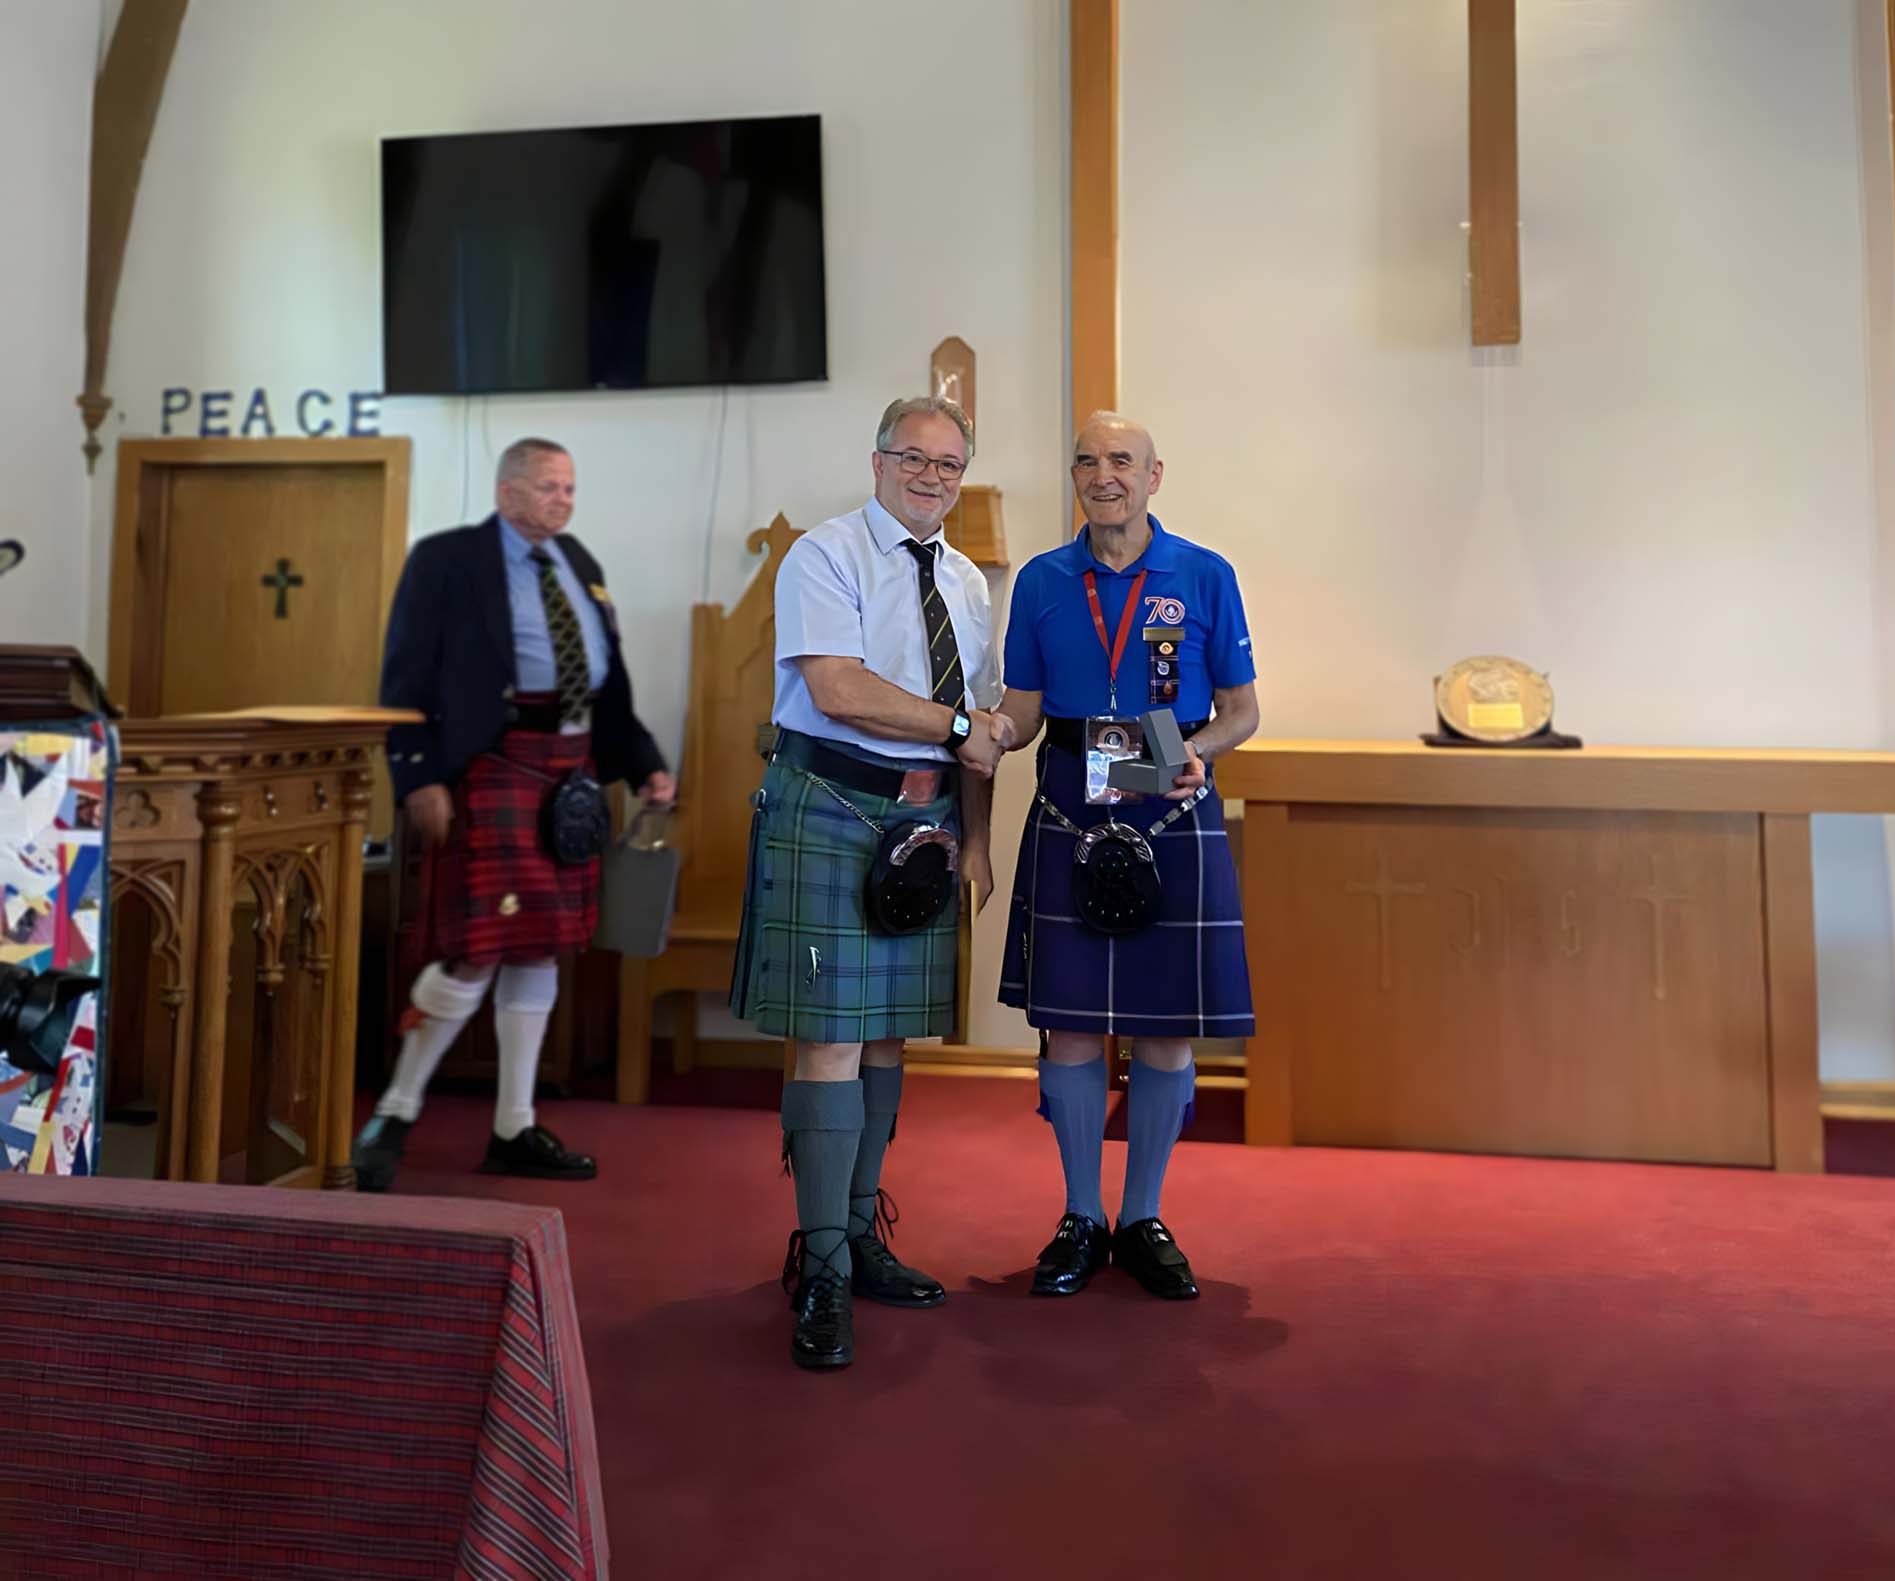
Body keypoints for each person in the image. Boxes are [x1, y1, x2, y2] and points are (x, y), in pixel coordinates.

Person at [732, 396, 1008, 1371]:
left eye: (947, 464)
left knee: (885, 1035)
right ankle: (817, 1269)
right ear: (879, 460)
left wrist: (975, 842)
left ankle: (856, 1235)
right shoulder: (825, 553)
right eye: (913, 458)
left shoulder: (969, 582)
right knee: (830, 1041)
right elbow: (837, 688)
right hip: (832, 807)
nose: (929, 476)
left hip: (925, 820)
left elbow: (979, 725)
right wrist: (966, 731)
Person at [356, 438, 676, 1191]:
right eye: (548, 488)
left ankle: (514, 1124)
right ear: (507, 492)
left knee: (539, 948)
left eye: (570, 488)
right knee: (478, 948)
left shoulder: (581, 563)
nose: (564, 500)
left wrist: (644, 761)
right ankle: (394, 1112)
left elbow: (609, 682)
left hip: (571, 772)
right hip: (491, 767)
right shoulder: (446, 560)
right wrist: (418, 778)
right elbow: (401, 673)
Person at [994, 412, 1260, 1301]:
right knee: (1067, 1022)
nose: (1103, 474)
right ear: (1073, 475)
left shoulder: (1205, 574)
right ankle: (1080, 1214)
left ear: (1154, 475)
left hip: (1171, 797)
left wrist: (1203, 753)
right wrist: (976, 734)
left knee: (1164, 1024)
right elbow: (1023, 712)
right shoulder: (1040, 580)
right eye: (1087, 459)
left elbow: (1243, 710)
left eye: (1121, 460)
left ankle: (1142, 1214)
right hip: (1070, 799)